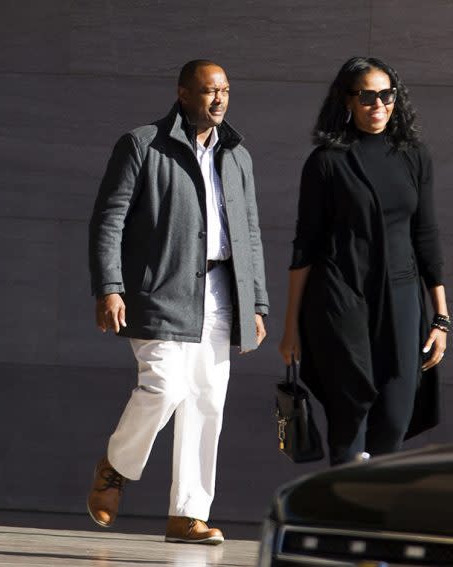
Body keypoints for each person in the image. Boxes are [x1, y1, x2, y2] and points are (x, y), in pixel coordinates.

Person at [87, 60, 268, 544]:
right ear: (184, 93)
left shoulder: (237, 154)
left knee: (207, 402)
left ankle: (187, 514)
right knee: (164, 388)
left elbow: (248, 232)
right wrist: (109, 286)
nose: (219, 99)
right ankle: (115, 466)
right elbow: (109, 220)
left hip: (219, 294)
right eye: (209, 91)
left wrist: (257, 303)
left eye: (226, 90)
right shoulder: (143, 144)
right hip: (159, 291)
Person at [278, 56, 448, 466]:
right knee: (349, 410)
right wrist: (291, 327)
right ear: (348, 101)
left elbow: (425, 235)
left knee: (395, 412)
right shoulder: (326, 161)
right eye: (367, 96)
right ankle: (344, 516)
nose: (378, 105)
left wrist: (441, 317)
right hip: (341, 296)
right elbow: (306, 246)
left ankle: (373, 511)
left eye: (386, 95)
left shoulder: (414, 156)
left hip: (403, 297)